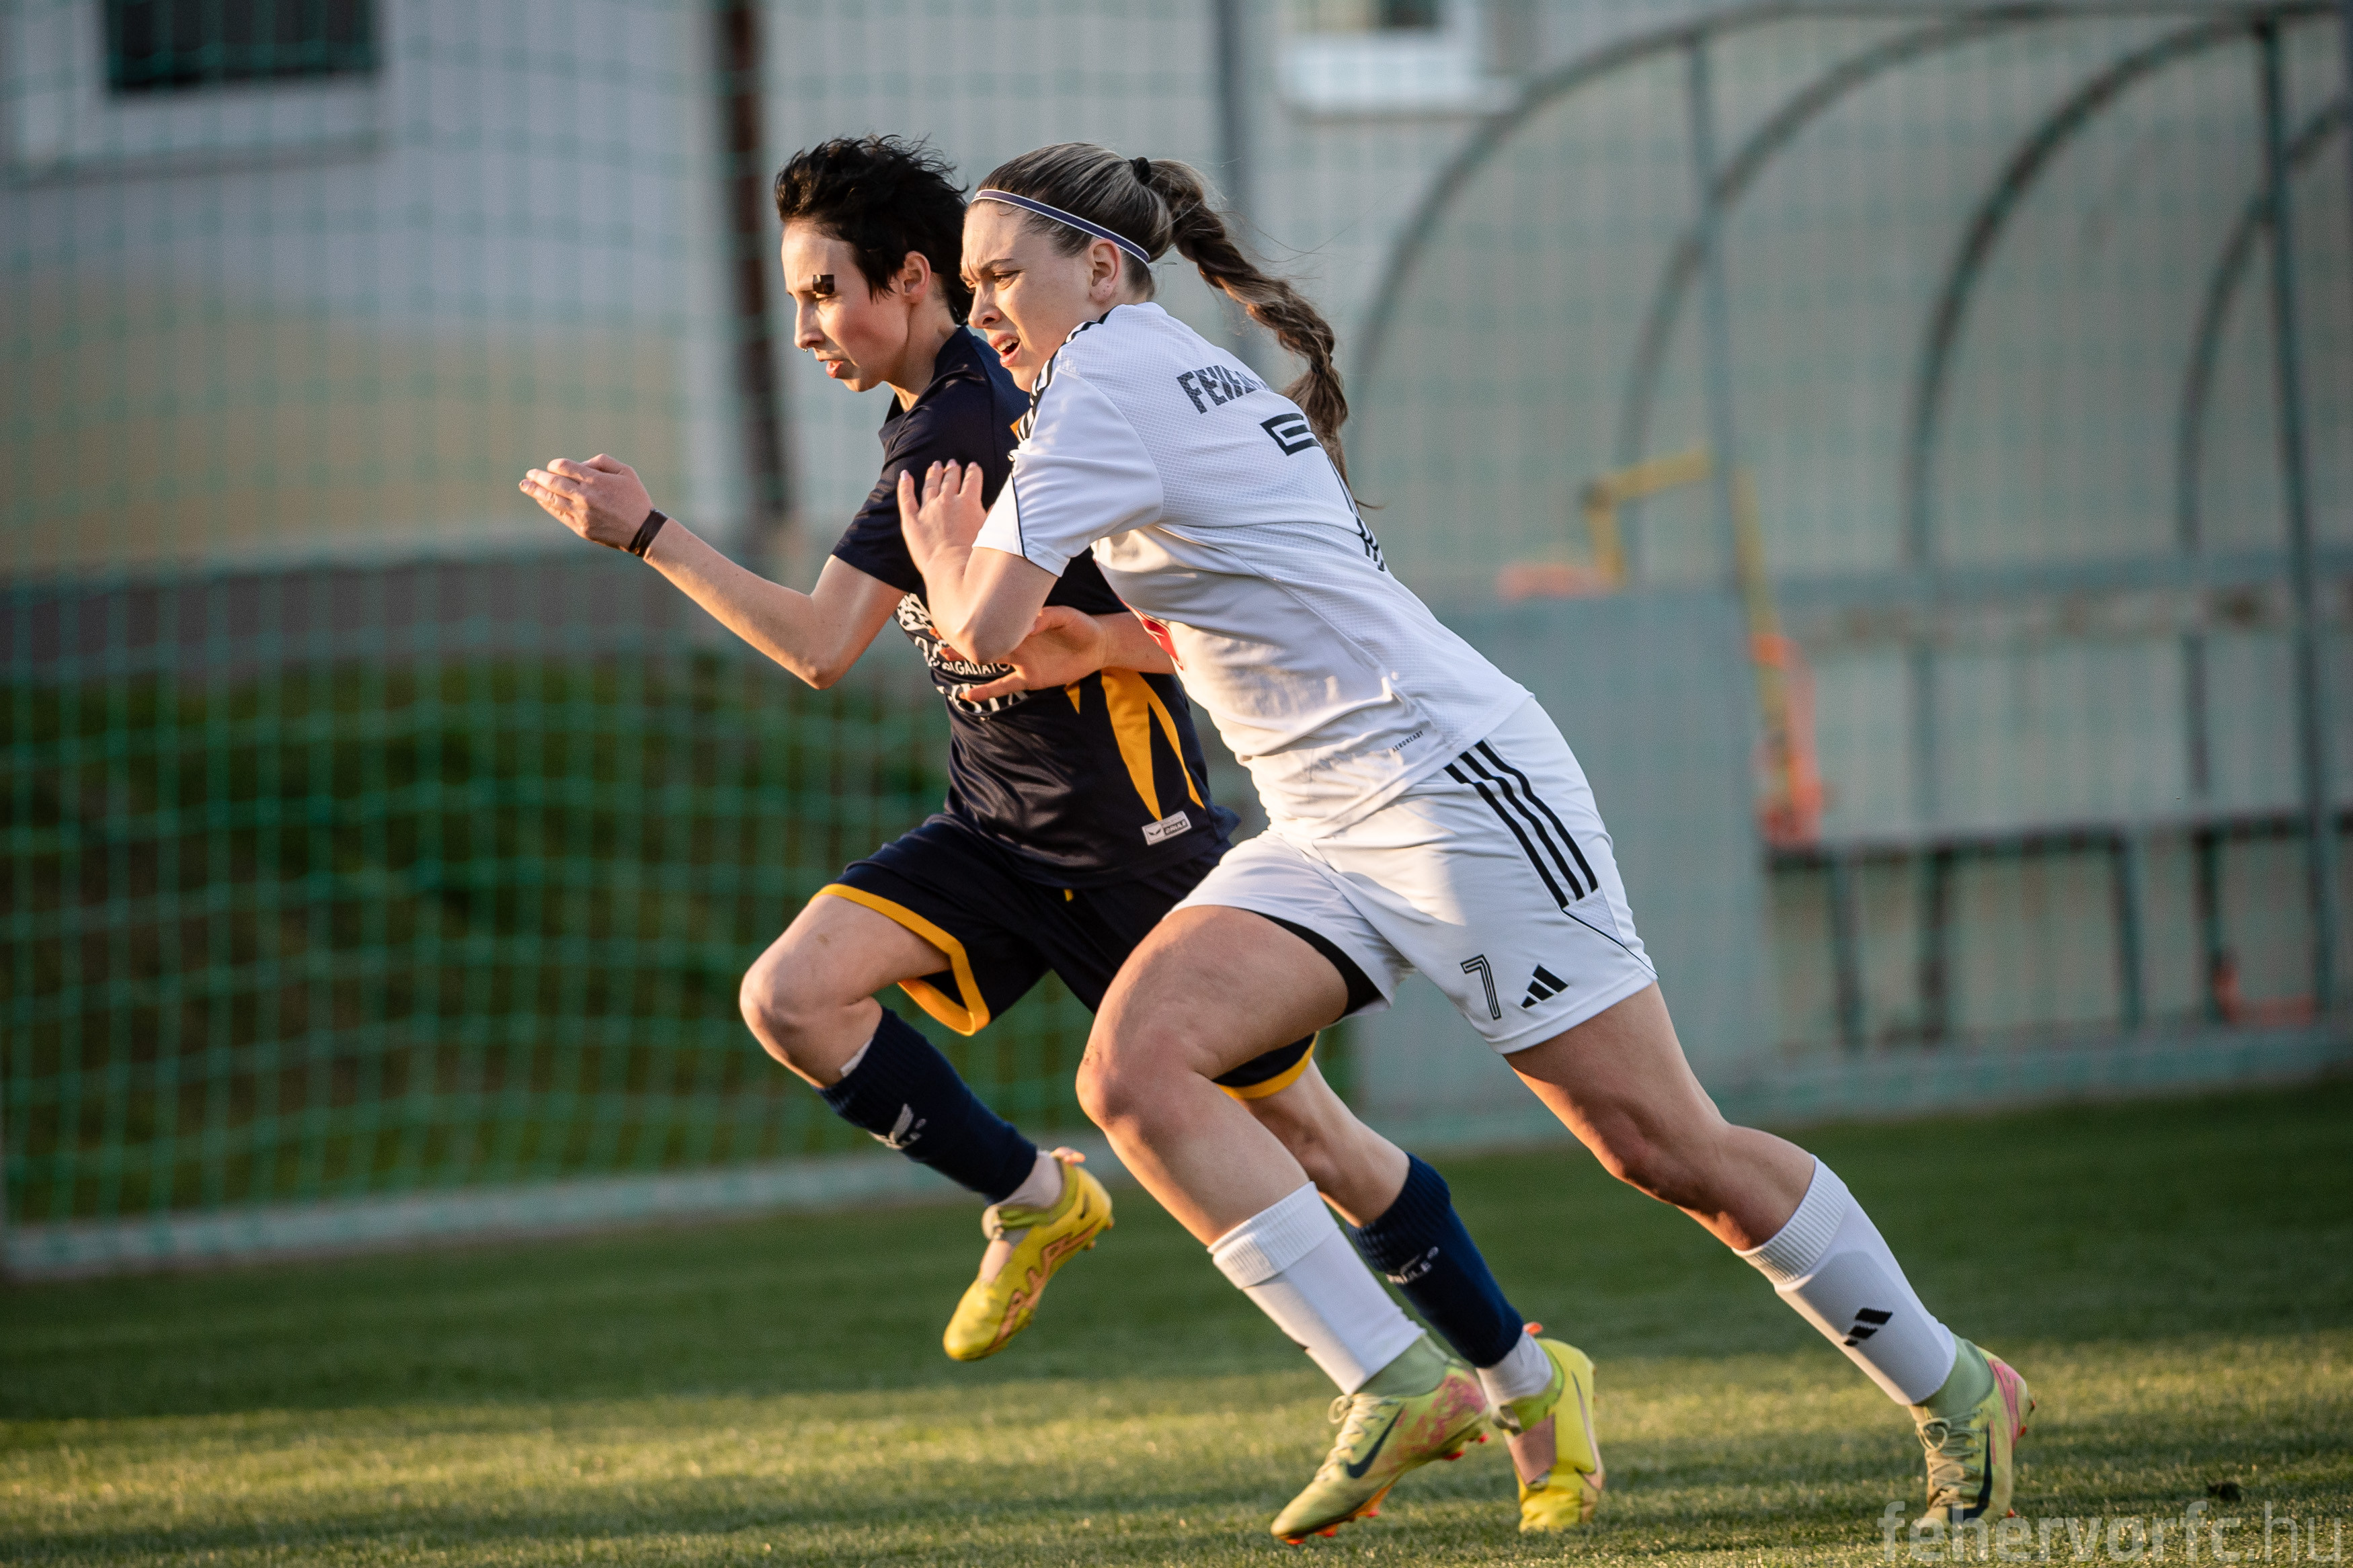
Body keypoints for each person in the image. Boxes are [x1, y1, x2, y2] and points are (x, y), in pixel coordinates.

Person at [897, 141, 2035, 1544]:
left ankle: (1957, 1386)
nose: (983, 307)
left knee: (1662, 1145)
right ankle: (1392, 1380)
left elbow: (980, 626)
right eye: (970, 283)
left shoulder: (1103, 380)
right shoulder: (1175, 367)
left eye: (1003, 275)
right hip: (1325, 817)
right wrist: (1123, 636)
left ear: (1101, 268)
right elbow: (1263, 585)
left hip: (1452, 792)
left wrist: (945, 562)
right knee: (1136, 1071)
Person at [517, 135, 1578, 1528]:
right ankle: (1037, 1198)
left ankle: (1523, 1382)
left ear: (911, 280)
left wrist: (650, 532)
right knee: (793, 995)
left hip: (1135, 841)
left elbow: (827, 646)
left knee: (1321, 1144)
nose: (807, 329)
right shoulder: (933, 417)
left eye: (825, 293)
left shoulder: (996, 411)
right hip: (997, 828)